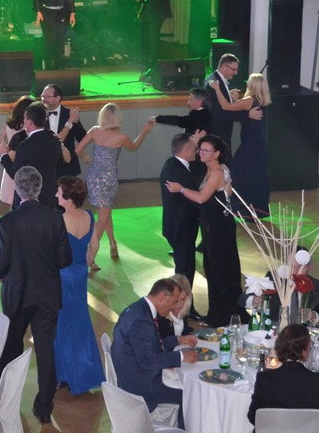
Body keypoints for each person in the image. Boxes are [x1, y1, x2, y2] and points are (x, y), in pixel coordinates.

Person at [0, 166, 73, 424]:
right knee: (45, 350)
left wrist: (0, 274)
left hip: (17, 295)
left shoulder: (7, 222)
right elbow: (64, 259)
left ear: (17, 190)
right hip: (47, 293)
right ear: (40, 188)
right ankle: (44, 407)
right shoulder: (55, 218)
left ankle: (5, 399)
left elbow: (1, 263)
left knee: (11, 346)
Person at [165, 134, 247, 327]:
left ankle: (224, 316)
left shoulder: (217, 172)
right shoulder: (212, 169)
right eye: (200, 149)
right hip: (213, 225)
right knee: (213, 269)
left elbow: (202, 198)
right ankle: (218, 314)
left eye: (206, 150)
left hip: (219, 228)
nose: (201, 152)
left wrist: (181, 189)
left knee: (219, 270)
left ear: (217, 154)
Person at [110, 278, 200, 428]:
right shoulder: (142, 320)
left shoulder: (139, 308)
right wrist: (181, 356)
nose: (174, 307)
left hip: (131, 374)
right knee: (189, 395)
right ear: (162, 297)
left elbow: (149, 345)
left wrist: (177, 340)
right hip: (140, 387)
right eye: (173, 301)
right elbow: (147, 360)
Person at [76, 103, 155, 269]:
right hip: (108, 180)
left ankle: (112, 243)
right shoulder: (121, 137)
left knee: (105, 212)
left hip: (93, 178)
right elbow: (134, 147)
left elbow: (77, 150)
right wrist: (144, 132)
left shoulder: (94, 131)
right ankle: (89, 256)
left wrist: (85, 157)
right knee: (103, 216)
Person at [53, 176, 105, 395]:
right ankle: (85, 373)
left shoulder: (59, 220)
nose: (56, 194)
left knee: (62, 325)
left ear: (68, 197)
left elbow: (52, 252)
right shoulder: (88, 217)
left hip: (62, 276)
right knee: (80, 321)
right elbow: (95, 246)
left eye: (59, 191)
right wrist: (85, 263)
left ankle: (63, 375)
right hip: (80, 273)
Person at [210, 72, 270, 214]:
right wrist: (235, 99)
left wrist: (217, 89)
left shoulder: (249, 100)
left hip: (250, 144)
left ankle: (238, 208)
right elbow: (239, 112)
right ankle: (255, 210)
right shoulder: (262, 101)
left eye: (249, 81)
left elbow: (225, 107)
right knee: (254, 174)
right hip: (259, 142)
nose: (246, 83)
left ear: (252, 85)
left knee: (236, 172)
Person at [0, 102, 68, 209]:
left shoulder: (25, 145)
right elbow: (61, 164)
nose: (23, 121)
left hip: (29, 197)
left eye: (25, 118)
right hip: (49, 194)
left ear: (29, 122)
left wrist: (3, 155)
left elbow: (15, 173)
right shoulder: (54, 140)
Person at [238, 247, 319, 327]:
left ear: (309, 267)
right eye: (291, 266)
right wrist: (253, 300)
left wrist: (313, 316)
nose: (295, 271)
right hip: (274, 333)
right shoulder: (274, 279)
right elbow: (242, 299)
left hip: (303, 336)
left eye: (300, 267)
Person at [160, 133, 205, 295]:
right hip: (182, 229)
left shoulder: (171, 163)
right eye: (195, 148)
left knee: (184, 268)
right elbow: (198, 200)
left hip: (174, 226)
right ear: (185, 151)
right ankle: (183, 304)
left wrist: (194, 141)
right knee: (185, 271)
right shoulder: (180, 174)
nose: (197, 151)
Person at [203, 53, 263, 150]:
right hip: (218, 134)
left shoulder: (214, 79)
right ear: (224, 67)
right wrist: (247, 114)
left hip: (219, 133)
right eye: (233, 69)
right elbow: (222, 111)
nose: (236, 73)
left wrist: (230, 96)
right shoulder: (214, 84)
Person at [41, 83, 86, 178]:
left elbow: (82, 137)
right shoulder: (38, 115)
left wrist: (76, 122)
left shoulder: (69, 114)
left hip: (67, 166)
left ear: (58, 98)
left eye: (47, 97)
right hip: (46, 166)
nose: (44, 99)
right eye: (42, 96)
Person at [0, 96, 33, 207]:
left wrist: (6, 149)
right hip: (24, 163)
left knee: (14, 201)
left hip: (11, 162)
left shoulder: (10, 124)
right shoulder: (30, 126)